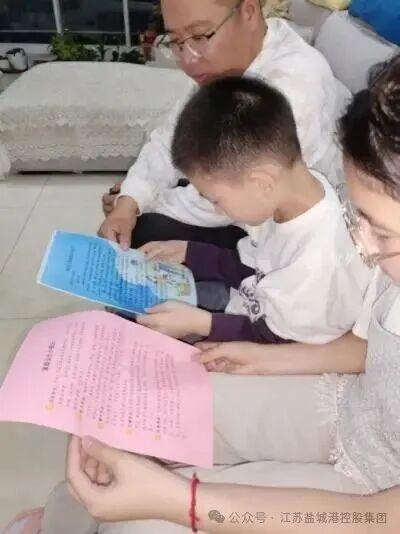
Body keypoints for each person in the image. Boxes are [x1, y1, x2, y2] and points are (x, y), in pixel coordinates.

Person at [9, 54, 400, 534]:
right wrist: (260, 359)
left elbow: (382, 518)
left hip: (373, 496)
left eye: (381, 232)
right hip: (351, 409)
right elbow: (364, 347)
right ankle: (62, 521)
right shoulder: (375, 256)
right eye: (358, 217)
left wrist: (188, 503)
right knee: (129, 422)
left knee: (139, 522)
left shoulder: (332, 254)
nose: (361, 246)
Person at [99, 0, 349, 251]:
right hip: (235, 193)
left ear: (249, 11)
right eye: (175, 41)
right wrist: (131, 199)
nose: (187, 60)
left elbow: (228, 200)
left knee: (145, 231)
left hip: (280, 235)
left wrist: (144, 203)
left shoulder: (292, 88)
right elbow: (172, 135)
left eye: (199, 36)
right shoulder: (234, 61)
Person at [136, 76, 370, 344]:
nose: (218, 211)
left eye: (216, 200)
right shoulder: (290, 194)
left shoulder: (316, 260)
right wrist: (190, 252)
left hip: (267, 339)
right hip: (246, 303)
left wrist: (203, 324)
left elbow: (277, 341)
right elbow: (254, 266)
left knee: (144, 327)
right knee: (141, 302)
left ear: (262, 183)